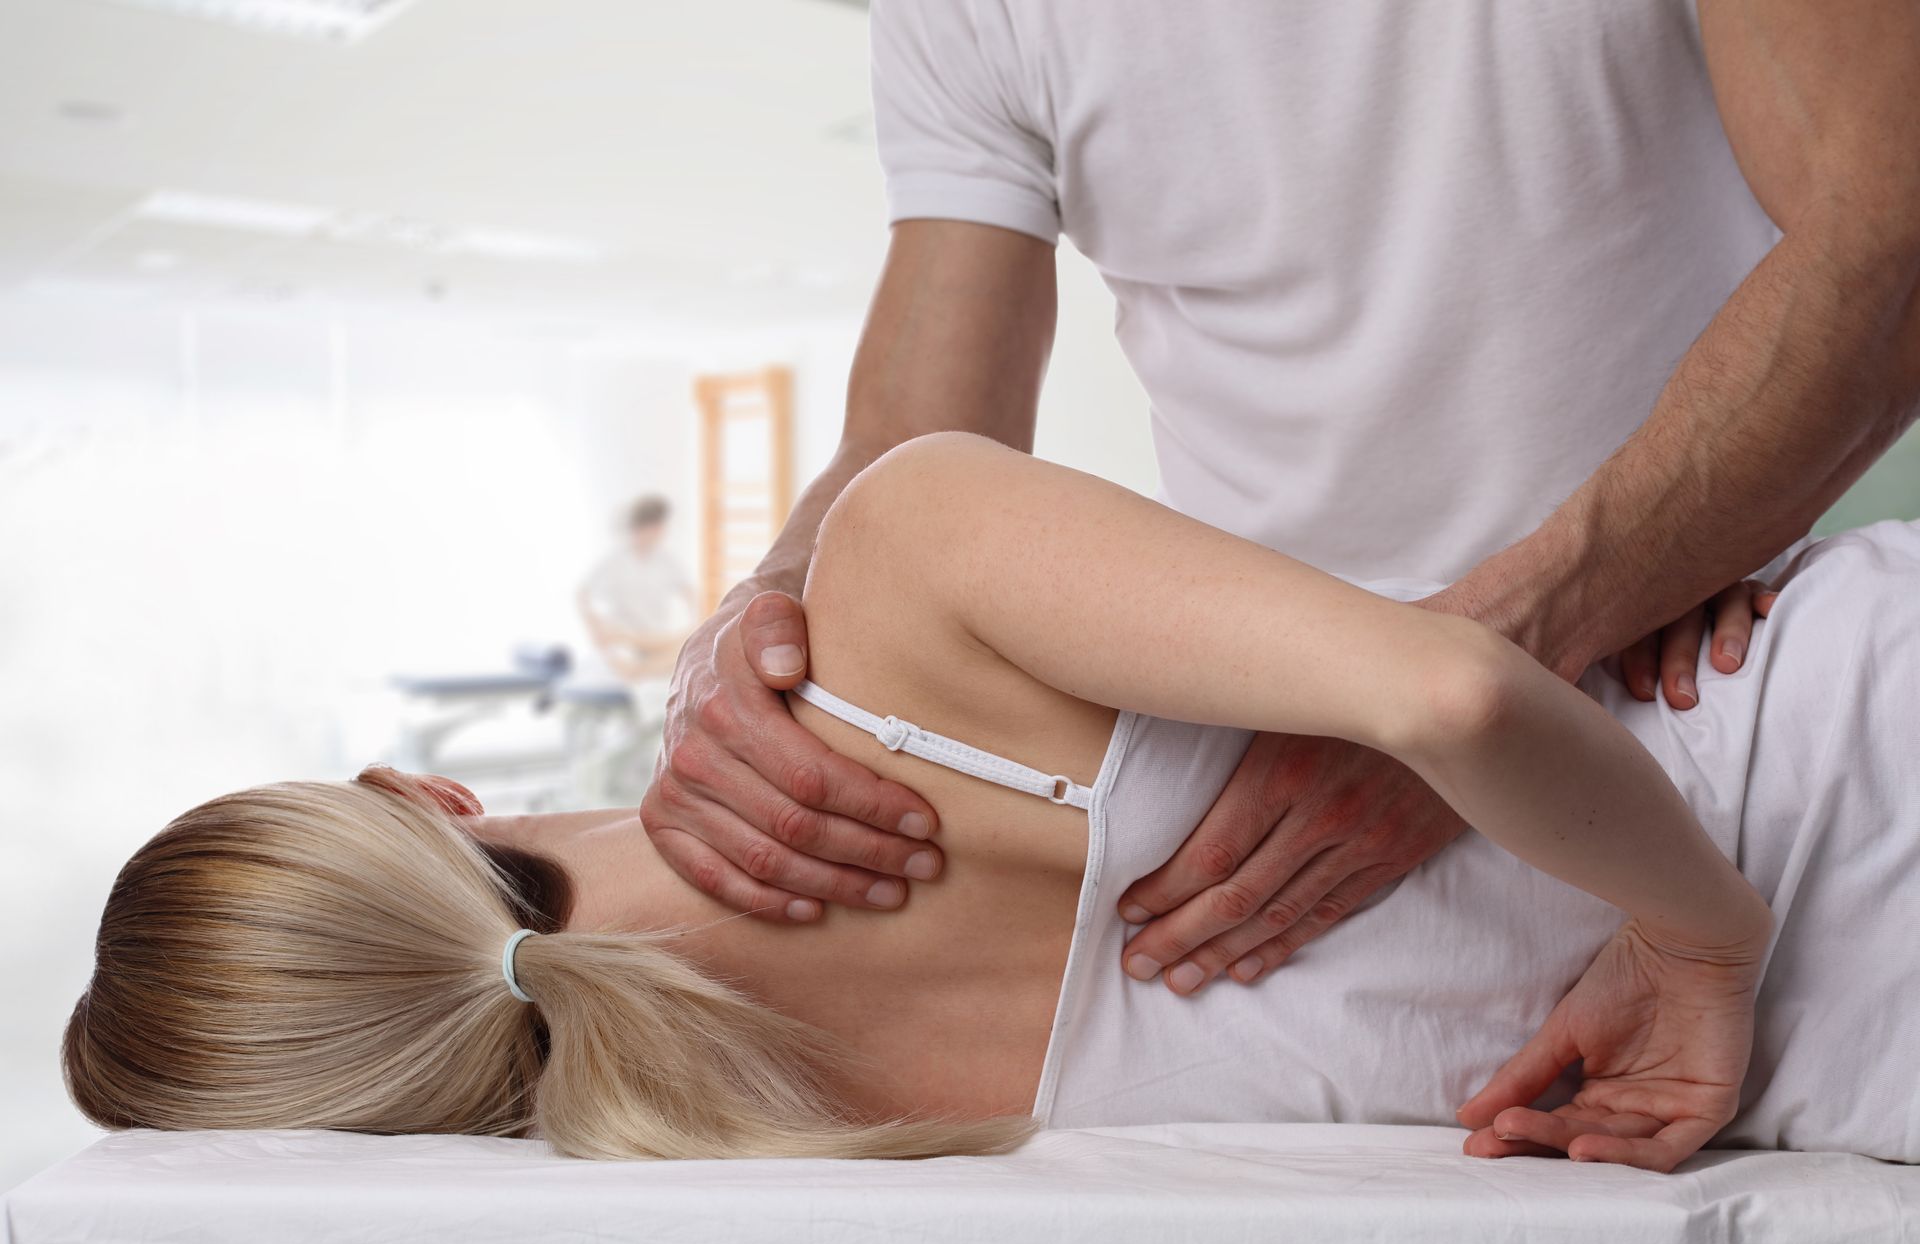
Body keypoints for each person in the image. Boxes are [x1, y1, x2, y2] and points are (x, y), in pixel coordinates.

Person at [63, 438, 1920, 1170]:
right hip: (1827, 743)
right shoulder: (895, 578)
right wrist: (1697, 936)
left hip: (1851, 1072)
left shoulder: (758, 1151)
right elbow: (1447, 689)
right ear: (415, 787)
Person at [641, 0, 1920, 995]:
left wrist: (1479, 679)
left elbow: (1889, 230)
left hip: (1698, 685)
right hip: (1290, 804)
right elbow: (913, 441)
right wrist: (753, 621)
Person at [577, 495, 695, 687]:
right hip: (623, 639)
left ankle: (644, 670)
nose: (660, 532)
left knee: (689, 649)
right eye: (655, 527)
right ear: (642, 527)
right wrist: (594, 626)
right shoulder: (615, 560)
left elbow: (689, 592)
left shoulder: (666, 561)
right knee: (624, 662)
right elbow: (582, 593)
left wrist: (693, 620)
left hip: (656, 639)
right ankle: (641, 670)